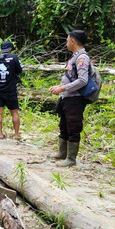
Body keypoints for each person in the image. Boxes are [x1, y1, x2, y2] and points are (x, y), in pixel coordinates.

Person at [48, 30, 90, 167]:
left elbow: (83, 80)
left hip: (75, 99)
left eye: (67, 40)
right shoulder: (75, 57)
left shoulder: (82, 58)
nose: (66, 43)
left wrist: (63, 88)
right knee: (64, 125)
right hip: (68, 98)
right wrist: (60, 87)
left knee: (73, 126)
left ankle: (71, 159)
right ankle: (62, 153)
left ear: (73, 41)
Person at [0, 40, 23, 140]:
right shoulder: (14, 58)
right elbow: (20, 70)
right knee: (14, 112)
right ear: (10, 49)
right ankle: (16, 134)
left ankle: (0, 133)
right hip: (11, 90)